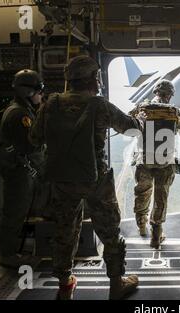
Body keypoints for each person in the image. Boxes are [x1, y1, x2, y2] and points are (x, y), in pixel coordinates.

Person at [30, 55, 144, 300]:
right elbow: (133, 128)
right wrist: (138, 117)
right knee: (110, 232)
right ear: (94, 78)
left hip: (61, 180)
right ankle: (116, 285)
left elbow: (34, 139)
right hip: (96, 182)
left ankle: (65, 286)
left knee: (64, 232)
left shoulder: (50, 104)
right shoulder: (100, 105)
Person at [129, 79, 180, 248]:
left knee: (142, 194)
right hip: (166, 162)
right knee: (160, 197)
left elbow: (127, 128)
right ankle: (156, 236)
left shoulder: (142, 108)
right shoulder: (174, 112)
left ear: (155, 92)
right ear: (170, 95)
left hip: (144, 161)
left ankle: (141, 227)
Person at [0, 69, 45, 268]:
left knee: (16, 211)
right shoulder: (20, 114)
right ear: (28, 92)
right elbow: (30, 146)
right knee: (14, 213)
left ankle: (11, 252)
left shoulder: (20, 109)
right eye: (39, 91)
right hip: (19, 171)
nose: (41, 95)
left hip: (21, 170)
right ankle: (8, 256)